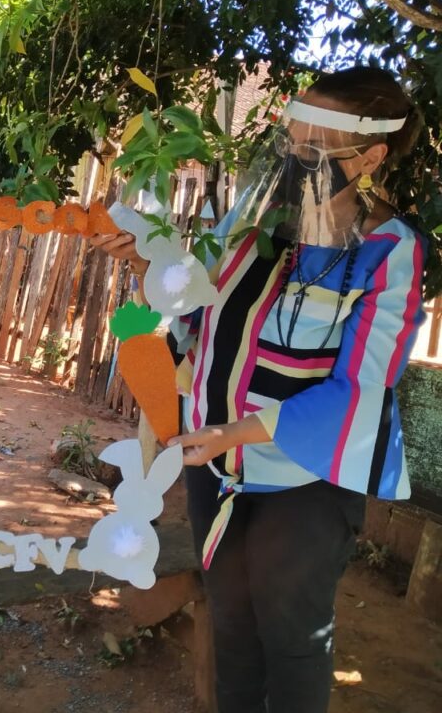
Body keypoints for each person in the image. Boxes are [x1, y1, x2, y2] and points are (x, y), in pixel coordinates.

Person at [92, 66, 425, 713]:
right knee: (233, 628)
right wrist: (148, 263)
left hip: (303, 482)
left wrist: (233, 433)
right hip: (213, 465)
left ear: (372, 156)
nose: (295, 158)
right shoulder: (255, 217)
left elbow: (358, 392)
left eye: (314, 148)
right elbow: (193, 310)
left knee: (294, 638)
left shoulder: (388, 252)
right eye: (291, 140)